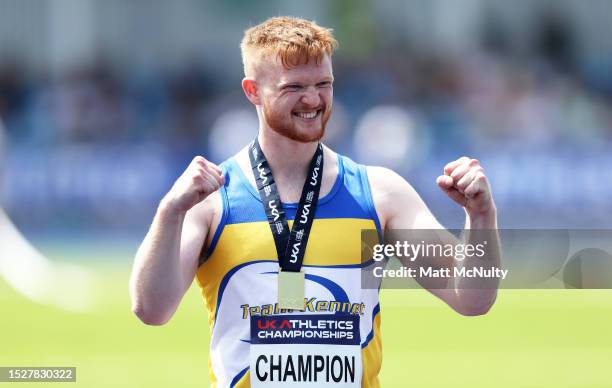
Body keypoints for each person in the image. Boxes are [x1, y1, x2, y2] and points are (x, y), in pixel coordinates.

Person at [129, 16, 500, 387]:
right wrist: (169, 211)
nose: (313, 99)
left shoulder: (380, 193)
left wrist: (480, 215)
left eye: (324, 84)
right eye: (294, 87)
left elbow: (470, 297)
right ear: (252, 91)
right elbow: (151, 309)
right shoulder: (212, 200)